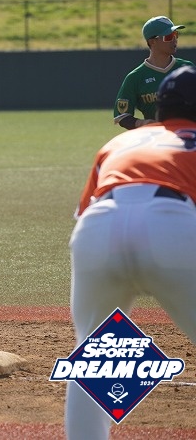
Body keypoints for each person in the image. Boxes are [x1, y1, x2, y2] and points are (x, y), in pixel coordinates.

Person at [67, 65, 196, 439]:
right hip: (171, 226)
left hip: (98, 230)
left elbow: (84, 212)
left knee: (93, 356)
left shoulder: (119, 143)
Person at [113, 15, 193, 130]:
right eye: (169, 36)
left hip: (188, 135)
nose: (174, 39)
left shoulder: (187, 68)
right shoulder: (135, 77)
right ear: (152, 41)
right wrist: (144, 123)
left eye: (175, 34)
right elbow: (121, 116)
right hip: (158, 137)